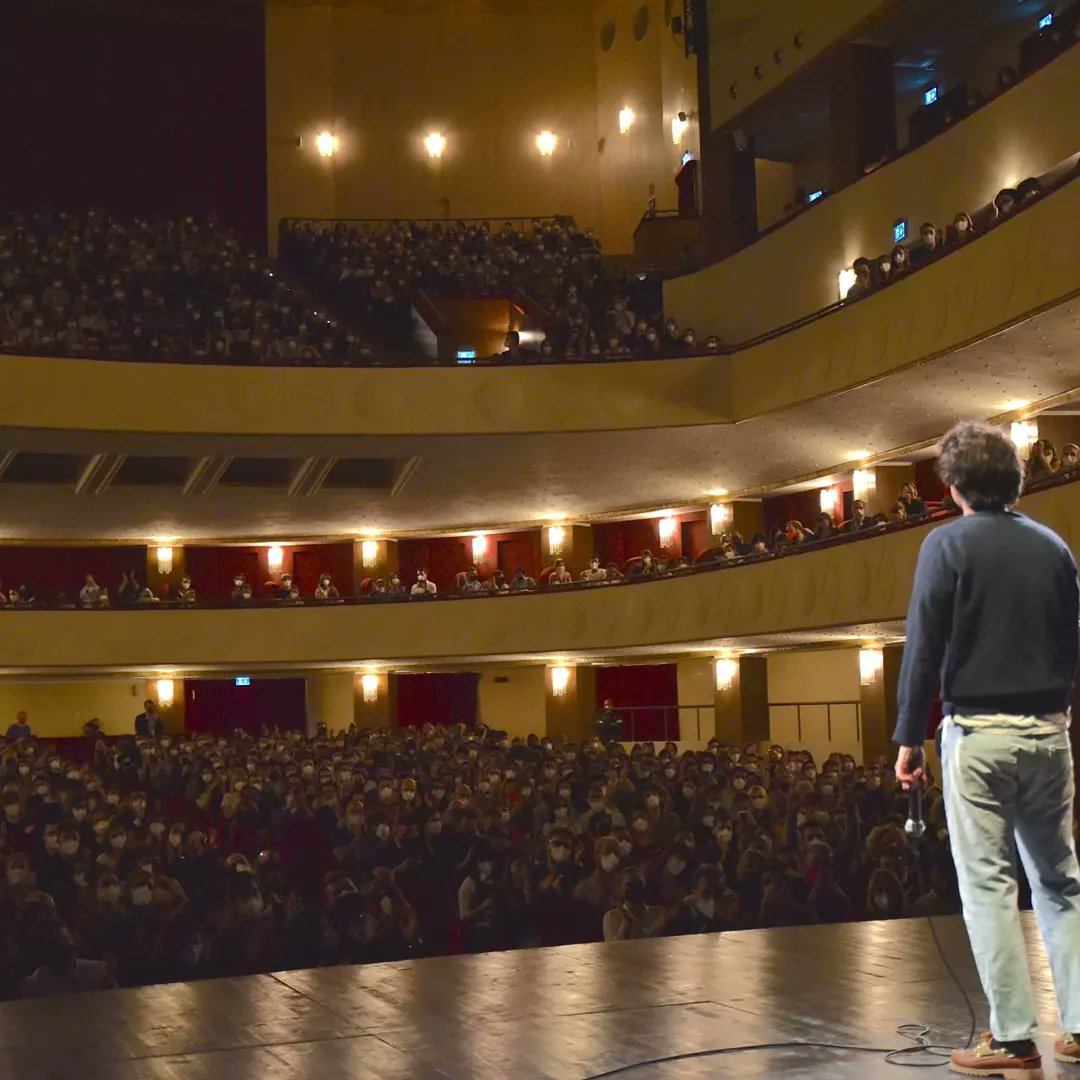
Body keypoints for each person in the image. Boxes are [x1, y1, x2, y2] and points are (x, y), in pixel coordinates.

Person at [894, 420, 1080, 1076]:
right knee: (1061, 881)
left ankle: (1013, 1037)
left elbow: (923, 649)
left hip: (979, 736)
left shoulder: (945, 546)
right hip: (1051, 734)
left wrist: (909, 739)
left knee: (990, 885)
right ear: (1014, 479)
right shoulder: (1054, 547)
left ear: (952, 485)